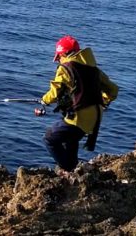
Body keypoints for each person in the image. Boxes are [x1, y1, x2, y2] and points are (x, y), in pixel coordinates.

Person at [40, 35, 118, 175]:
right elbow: (113, 90)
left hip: (79, 118)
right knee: (71, 138)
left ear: (63, 53)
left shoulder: (65, 68)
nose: (58, 59)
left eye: (59, 56)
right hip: (96, 117)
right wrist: (104, 101)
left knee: (49, 139)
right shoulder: (94, 69)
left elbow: (55, 92)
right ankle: (73, 166)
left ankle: (68, 170)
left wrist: (44, 101)